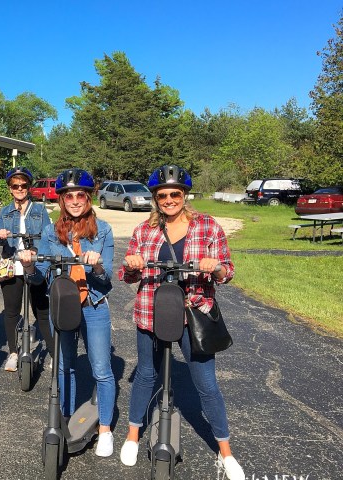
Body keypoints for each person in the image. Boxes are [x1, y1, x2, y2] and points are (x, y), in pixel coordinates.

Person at [119, 165, 244, 480]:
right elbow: (127, 275)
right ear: (156, 199)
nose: (169, 200)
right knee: (146, 375)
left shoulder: (207, 226)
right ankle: (133, 436)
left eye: (175, 194)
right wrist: (131, 264)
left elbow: (228, 270)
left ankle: (226, 453)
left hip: (194, 314)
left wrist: (215, 267)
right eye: (163, 195)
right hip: (152, 310)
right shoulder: (145, 231)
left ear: (185, 195)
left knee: (206, 384)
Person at [20, 168, 116, 457]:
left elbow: (108, 277)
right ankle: (63, 418)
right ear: (61, 200)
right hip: (61, 304)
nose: (75, 201)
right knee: (64, 366)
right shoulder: (51, 231)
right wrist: (28, 265)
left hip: (93, 305)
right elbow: (39, 277)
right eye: (69, 196)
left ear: (89, 198)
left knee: (101, 369)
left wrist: (97, 265)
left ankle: (106, 430)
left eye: (80, 195)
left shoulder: (104, 230)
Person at [0, 167, 54, 372]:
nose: (20, 189)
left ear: (29, 187)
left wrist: (36, 251)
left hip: (34, 263)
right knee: (11, 311)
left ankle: (54, 353)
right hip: (12, 263)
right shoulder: (5, 211)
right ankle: (13, 352)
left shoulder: (39, 210)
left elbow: (48, 235)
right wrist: (1, 234)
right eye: (15, 186)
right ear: (10, 189)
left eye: (23, 185)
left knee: (42, 312)